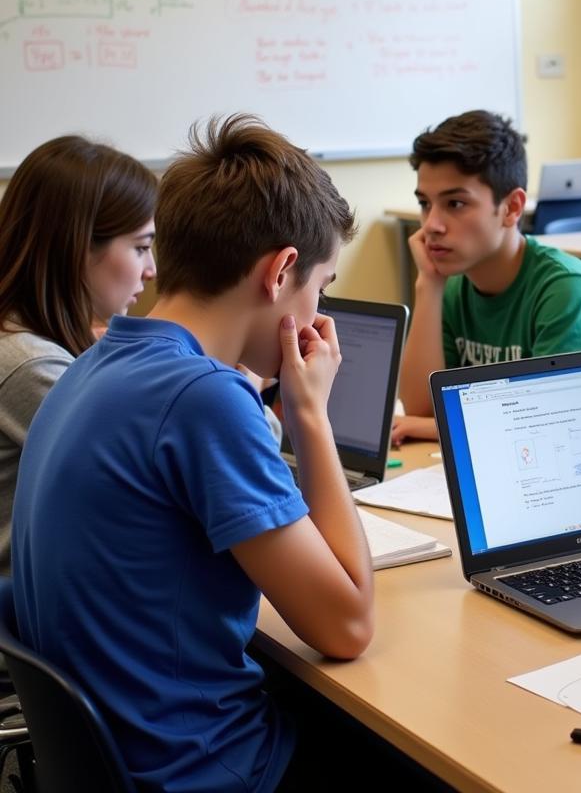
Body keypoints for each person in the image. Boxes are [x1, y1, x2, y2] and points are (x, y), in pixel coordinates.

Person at [12, 116, 374, 793]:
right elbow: (348, 625)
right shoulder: (201, 399)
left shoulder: (93, 365)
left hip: (118, 759)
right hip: (200, 771)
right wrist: (309, 416)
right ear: (281, 271)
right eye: (320, 287)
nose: (319, 309)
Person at [394, 110, 581, 444]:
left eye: (456, 203)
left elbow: (551, 423)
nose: (431, 224)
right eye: (424, 203)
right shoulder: (453, 286)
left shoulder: (565, 291)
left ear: (512, 208)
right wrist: (428, 287)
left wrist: (435, 428)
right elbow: (420, 410)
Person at [0, 136, 157, 573]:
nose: (152, 270)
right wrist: (247, 386)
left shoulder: (23, 338)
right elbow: (159, 488)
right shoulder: (31, 366)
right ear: (77, 248)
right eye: (141, 247)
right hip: (29, 628)